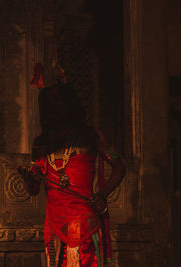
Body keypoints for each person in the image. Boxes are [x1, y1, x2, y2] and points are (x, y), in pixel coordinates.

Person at [18, 81, 125, 267]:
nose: (54, 108)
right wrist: (30, 181)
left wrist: (102, 194)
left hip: (83, 225)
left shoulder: (92, 135)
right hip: (53, 227)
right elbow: (34, 188)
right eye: (49, 104)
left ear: (68, 103)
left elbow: (119, 166)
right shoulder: (41, 143)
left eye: (58, 101)